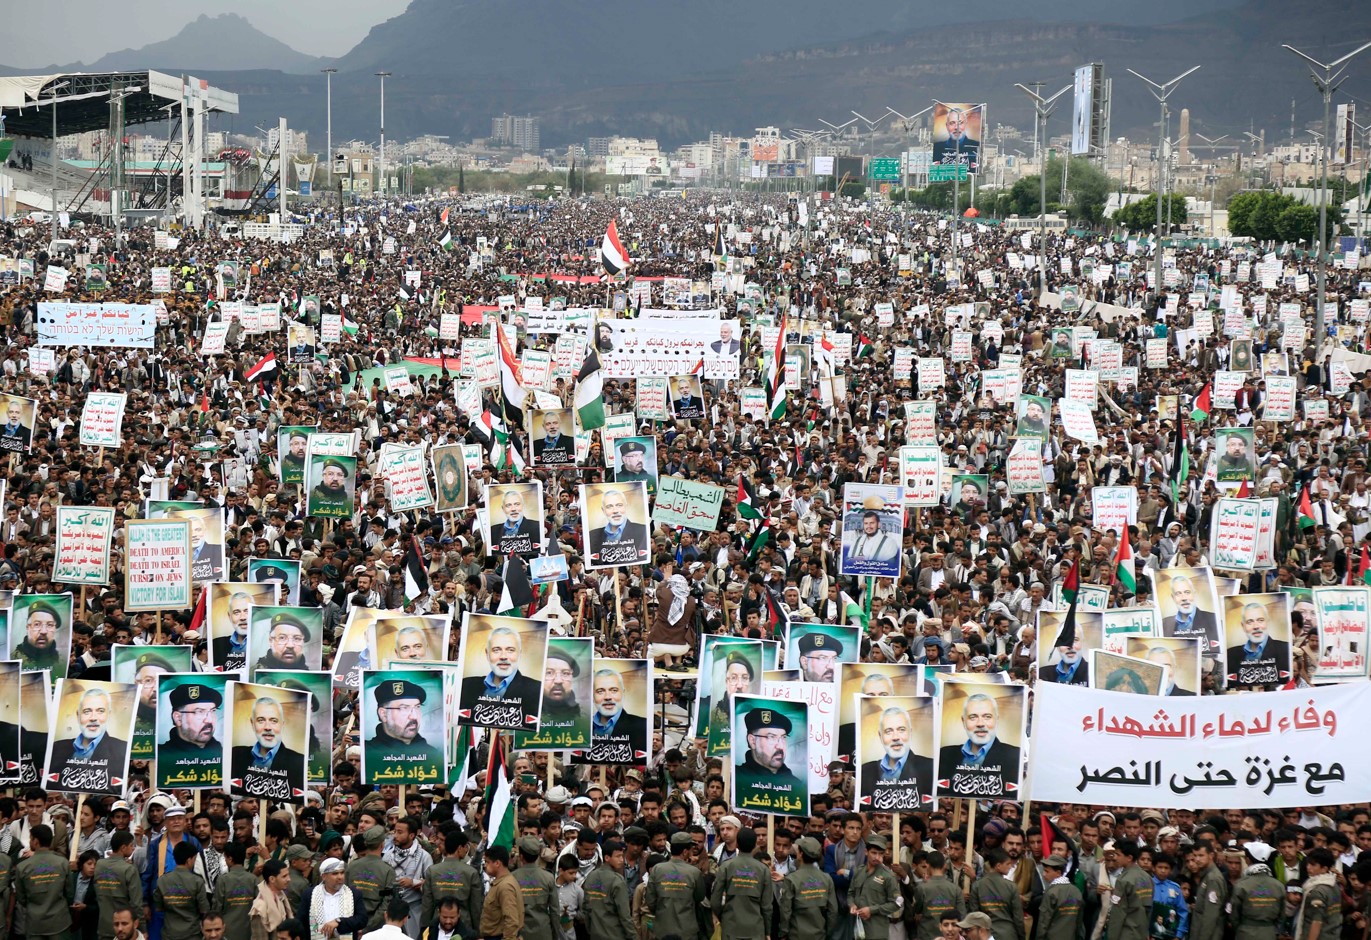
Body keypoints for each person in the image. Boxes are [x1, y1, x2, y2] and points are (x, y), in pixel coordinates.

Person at [935, 692, 1020, 789]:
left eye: (987, 717)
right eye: (973, 717)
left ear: (996, 720)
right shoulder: (945, 754)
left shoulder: (1014, 756)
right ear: (964, 721)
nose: (980, 723)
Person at [458, 625, 542, 714]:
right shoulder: (466, 685)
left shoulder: (537, 690)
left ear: (519, 654)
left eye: (510, 650)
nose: (503, 656)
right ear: (487, 654)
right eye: (496, 650)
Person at [858, 705, 933, 802]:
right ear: (880, 736)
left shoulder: (930, 768)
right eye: (888, 731)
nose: (895, 737)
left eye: (901, 730)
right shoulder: (865, 772)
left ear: (910, 732)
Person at [643, 832, 709, 940]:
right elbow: (699, 897)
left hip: (662, 929)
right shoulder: (694, 872)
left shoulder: (657, 869)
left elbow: (650, 901)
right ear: (685, 852)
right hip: (687, 930)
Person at [48, 686, 127, 776]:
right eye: (87, 711)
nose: (93, 718)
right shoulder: (57, 748)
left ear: (108, 715)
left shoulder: (122, 749)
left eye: (100, 711)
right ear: (78, 715)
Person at [711, 826, 772, 940]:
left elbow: (715, 899)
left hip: (731, 925)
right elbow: (767, 906)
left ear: (737, 843)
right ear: (755, 845)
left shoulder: (726, 866)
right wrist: (767, 930)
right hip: (755, 928)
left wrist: (722, 916)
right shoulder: (763, 870)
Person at [229, 696, 306, 784]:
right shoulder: (235, 755)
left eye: (273, 721)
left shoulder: (299, 762)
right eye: (261, 720)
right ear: (252, 724)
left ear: (282, 725)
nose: (267, 727)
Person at [366, 679, 442, 768]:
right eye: (404, 708)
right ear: (383, 714)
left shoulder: (433, 755)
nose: (414, 716)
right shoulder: (367, 753)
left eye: (417, 707)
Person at [734, 706, 804, 799]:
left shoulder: (797, 786)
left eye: (783, 737)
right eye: (771, 737)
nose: (780, 746)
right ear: (752, 741)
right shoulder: (736, 778)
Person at [295, 857, 367, 940]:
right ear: (324, 876)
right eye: (335, 873)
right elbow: (301, 921)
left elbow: (362, 920)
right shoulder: (310, 894)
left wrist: (338, 922)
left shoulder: (353, 894)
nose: (340, 877)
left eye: (342, 873)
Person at [780, 836, 838, 940]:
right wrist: (828, 933)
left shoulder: (791, 879)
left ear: (801, 854)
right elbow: (833, 911)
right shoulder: (827, 879)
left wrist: (783, 933)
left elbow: (786, 911)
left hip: (796, 935)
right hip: (820, 935)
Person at [153, 841, 209, 940]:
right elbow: (204, 909)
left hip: (169, 934)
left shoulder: (162, 880)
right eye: (194, 859)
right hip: (192, 934)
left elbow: (158, 908)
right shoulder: (197, 881)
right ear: (189, 860)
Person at [581, 839, 635, 940]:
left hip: (595, 933)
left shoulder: (591, 876)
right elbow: (625, 915)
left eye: (622, 856)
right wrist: (633, 936)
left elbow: (586, 909)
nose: (621, 860)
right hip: (615, 934)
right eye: (618, 856)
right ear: (607, 857)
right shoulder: (617, 880)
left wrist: (590, 930)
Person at [849, 835, 900, 940]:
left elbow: (896, 903)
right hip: (857, 927)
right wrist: (852, 905)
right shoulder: (858, 871)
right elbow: (851, 893)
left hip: (876, 930)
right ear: (866, 852)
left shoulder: (888, 876)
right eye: (874, 853)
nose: (877, 857)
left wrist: (871, 910)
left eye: (880, 853)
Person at [1225, 602, 1291, 683]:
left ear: (1267, 622)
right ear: (1243, 626)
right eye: (1250, 622)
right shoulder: (1230, 654)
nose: (1256, 626)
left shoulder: (1285, 649)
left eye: (1260, 620)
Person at [160, 680, 223, 760]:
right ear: (178, 718)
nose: (209, 720)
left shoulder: (223, 753)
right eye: (200, 712)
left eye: (213, 711)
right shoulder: (162, 756)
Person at [586, 488, 649, 566]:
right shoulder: (593, 535)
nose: (615, 510)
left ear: (626, 507)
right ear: (603, 510)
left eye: (619, 505)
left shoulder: (642, 531)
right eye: (609, 506)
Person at [1160, 575, 1220, 655]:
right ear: (1173, 597)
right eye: (1178, 594)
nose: (1184, 598)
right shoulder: (1164, 624)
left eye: (1187, 592)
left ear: (1194, 594)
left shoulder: (1214, 620)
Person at [511, 837, 557, 940]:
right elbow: (554, 911)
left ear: (521, 856)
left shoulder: (512, 878)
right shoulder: (548, 877)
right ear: (537, 856)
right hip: (543, 932)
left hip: (519, 933)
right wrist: (556, 933)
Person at [590, 666, 647, 746]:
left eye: (614, 690)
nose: (607, 697)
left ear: (623, 693)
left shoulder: (643, 725)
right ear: (592, 696)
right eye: (600, 691)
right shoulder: (582, 727)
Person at [478, 846, 523, 940]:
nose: (485, 865)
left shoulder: (505, 886)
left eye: (487, 862)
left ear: (497, 863)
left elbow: (511, 920)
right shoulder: (502, 882)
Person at [1036, 854, 1082, 940]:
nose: (1043, 874)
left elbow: (1043, 922)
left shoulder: (1051, 893)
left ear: (1058, 873)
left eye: (1047, 871)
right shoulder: (1076, 891)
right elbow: (1079, 922)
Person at [537, 648, 586, 727]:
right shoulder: (526, 713)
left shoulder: (585, 719)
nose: (558, 681)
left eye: (565, 673)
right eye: (549, 673)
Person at [13, 601, 63, 671]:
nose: (43, 631)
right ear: (28, 627)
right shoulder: (13, 659)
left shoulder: (62, 662)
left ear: (55, 629)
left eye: (50, 625)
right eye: (37, 624)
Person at [211, 591, 254, 669]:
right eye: (236, 612)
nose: (243, 617)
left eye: (247, 611)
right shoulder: (216, 645)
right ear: (229, 616)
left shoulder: (268, 645)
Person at [491, 488, 541, 554]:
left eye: (517, 504)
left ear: (523, 506)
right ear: (503, 509)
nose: (513, 509)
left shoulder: (537, 527)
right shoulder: (493, 530)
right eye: (508, 505)